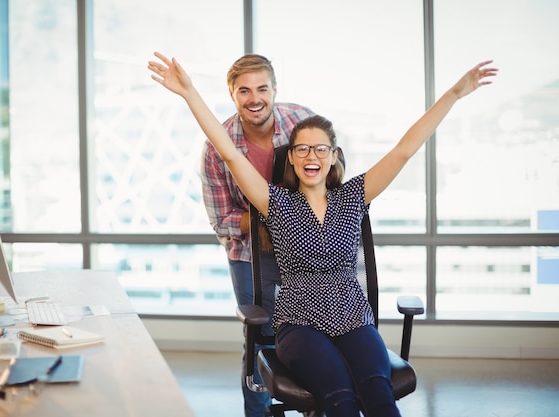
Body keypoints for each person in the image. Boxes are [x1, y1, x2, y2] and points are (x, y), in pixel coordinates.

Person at [148, 52, 497, 417]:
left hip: (353, 317)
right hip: (298, 323)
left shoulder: (353, 196)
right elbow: (231, 155)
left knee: (379, 395)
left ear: (333, 157)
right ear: (293, 159)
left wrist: (455, 94)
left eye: (320, 148)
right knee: (340, 397)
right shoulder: (277, 203)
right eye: (301, 149)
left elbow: (405, 149)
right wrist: (189, 93)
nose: (310, 155)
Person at [200, 54, 315, 416]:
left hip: (305, 251)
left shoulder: (301, 122)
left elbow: (328, 182)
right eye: (244, 90)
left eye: (262, 88)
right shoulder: (216, 149)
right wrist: (268, 211)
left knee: (316, 334)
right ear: (233, 95)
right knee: (259, 343)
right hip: (249, 255)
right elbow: (222, 222)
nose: (255, 98)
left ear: (275, 90)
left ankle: (320, 402)